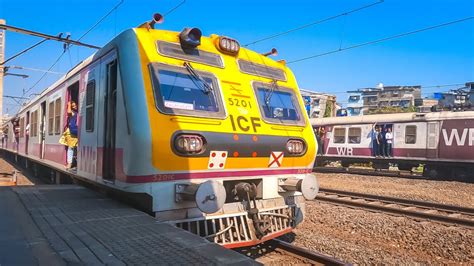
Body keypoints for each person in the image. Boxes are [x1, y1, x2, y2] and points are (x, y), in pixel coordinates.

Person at [62, 101, 78, 169]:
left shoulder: (76, 113)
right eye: (73, 106)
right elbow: (68, 112)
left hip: (76, 131)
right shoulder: (72, 112)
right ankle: (70, 163)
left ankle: (73, 162)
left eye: (75, 105)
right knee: (71, 147)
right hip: (72, 131)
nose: (75, 106)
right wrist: (68, 104)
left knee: (74, 147)